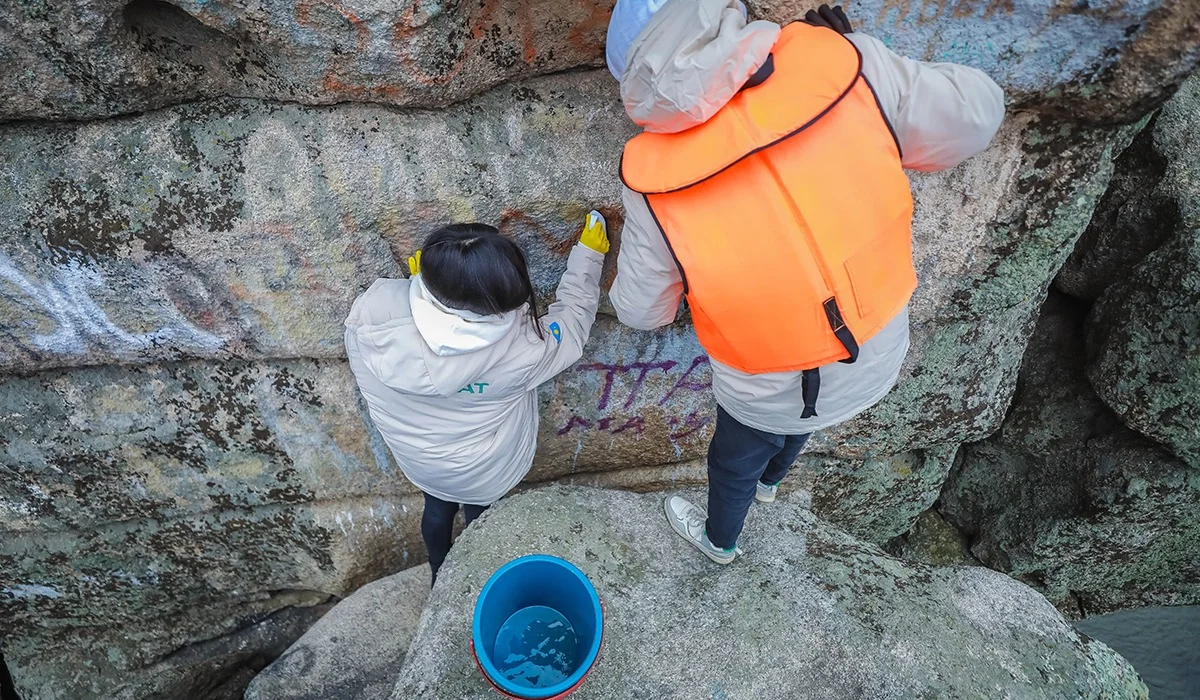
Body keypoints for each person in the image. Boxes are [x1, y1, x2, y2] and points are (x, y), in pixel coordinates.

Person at [605, 0, 1005, 564]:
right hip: (876, 349)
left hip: (762, 381)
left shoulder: (651, 181)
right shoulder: (844, 64)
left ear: (631, 76)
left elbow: (642, 311)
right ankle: (774, 486)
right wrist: (872, 77)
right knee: (804, 421)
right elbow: (979, 114)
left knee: (733, 460)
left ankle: (719, 542)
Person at [344, 213, 610, 583]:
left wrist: (422, 289)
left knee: (436, 510)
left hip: (423, 460)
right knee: (480, 516)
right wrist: (589, 257)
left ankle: (439, 575)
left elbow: (378, 366)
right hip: (485, 469)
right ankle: (471, 579)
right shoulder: (526, 348)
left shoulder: (373, 314)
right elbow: (574, 322)